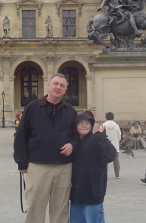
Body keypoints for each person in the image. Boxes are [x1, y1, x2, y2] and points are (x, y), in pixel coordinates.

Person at [14, 73, 78, 223]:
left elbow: (75, 136)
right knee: (36, 208)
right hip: (38, 165)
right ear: (48, 85)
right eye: (55, 84)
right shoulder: (32, 108)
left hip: (63, 166)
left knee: (61, 210)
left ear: (65, 90)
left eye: (62, 86)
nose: (58, 87)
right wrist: (21, 163)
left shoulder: (70, 110)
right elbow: (21, 136)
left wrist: (72, 145)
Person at [69, 113, 117, 223]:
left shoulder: (97, 140)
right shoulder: (74, 144)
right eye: (80, 124)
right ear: (75, 127)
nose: (84, 126)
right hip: (77, 195)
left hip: (93, 193)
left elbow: (111, 155)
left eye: (87, 123)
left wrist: (102, 136)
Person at [103, 111, 122, 179]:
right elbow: (119, 136)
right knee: (116, 159)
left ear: (106, 117)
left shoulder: (103, 125)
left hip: (105, 145)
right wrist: (117, 141)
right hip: (115, 145)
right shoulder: (116, 126)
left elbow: (102, 135)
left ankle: (104, 174)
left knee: (104, 160)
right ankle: (117, 175)